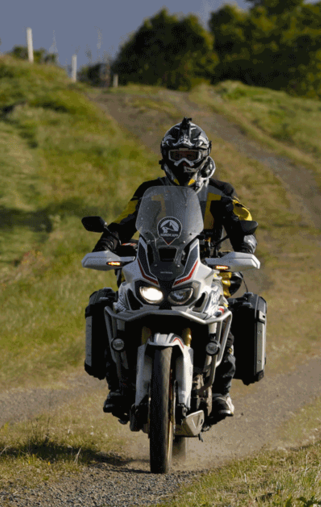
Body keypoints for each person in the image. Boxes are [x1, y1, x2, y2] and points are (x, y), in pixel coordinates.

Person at [93, 117, 257, 420]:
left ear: (203, 156)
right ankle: (117, 384)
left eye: (190, 155)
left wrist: (245, 246)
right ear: (166, 155)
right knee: (113, 305)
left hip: (206, 268)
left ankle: (221, 392)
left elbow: (242, 221)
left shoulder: (220, 191)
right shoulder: (149, 191)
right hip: (153, 266)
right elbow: (124, 222)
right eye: (178, 155)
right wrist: (106, 245)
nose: (184, 162)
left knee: (224, 311)